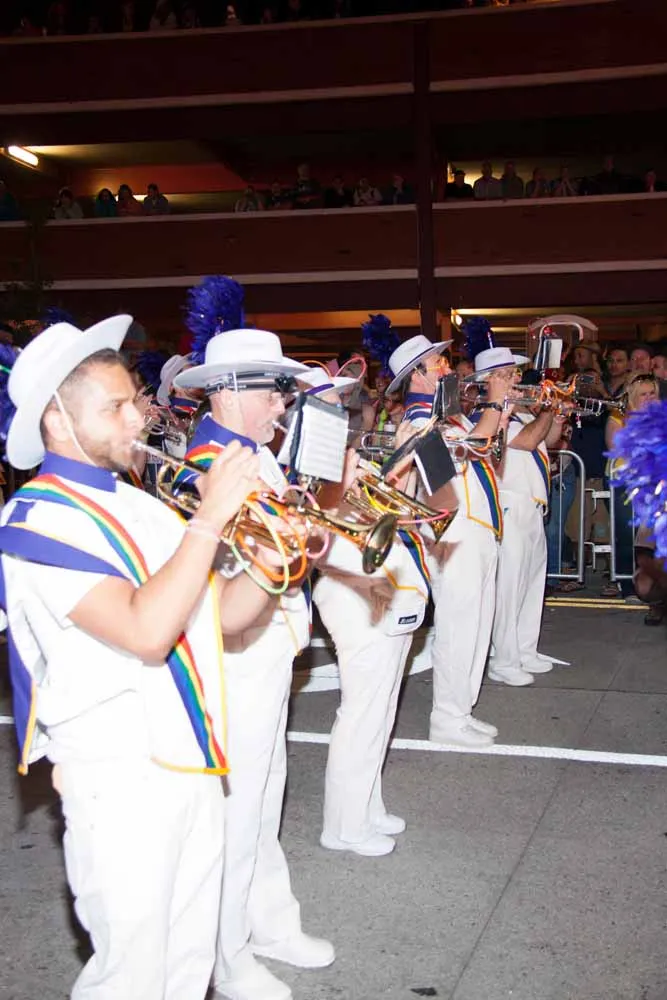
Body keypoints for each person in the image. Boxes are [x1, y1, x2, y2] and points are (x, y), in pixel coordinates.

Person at [0, 316, 271, 1000]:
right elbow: (145, 631)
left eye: (134, 401)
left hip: (190, 759)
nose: (137, 419)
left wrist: (275, 557)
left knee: (186, 965)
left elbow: (222, 618)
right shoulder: (34, 520)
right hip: (117, 778)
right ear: (58, 421)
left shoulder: (144, 508)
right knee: (132, 977)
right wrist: (210, 520)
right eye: (114, 407)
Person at [173, 330, 335, 1000]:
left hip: (268, 643)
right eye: (273, 392)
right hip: (233, 652)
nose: (282, 404)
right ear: (230, 391)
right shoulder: (207, 463)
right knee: (235, 813)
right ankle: (225, 954)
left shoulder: (252, 453)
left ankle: (268, 922)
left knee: (265, 797)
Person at [298, 369, 428, 857]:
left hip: (374, 582)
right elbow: (322, 523)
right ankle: (344, 826)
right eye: (334, 400)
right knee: (363, 710)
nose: (346, 408)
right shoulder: (312, 455)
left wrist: (398, 464)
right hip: (350, 587)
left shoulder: (340, 449)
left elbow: (382, 511)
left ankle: (366, 805)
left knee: (382, 706)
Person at [388, 332, 508, 747]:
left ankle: (462, 709)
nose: (446, 367)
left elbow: (486, 450)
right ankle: (447, 717)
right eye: (437, 363)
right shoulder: (419, 418)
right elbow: (469, 449)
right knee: (458, 627)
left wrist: (498, 417)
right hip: (452, 533)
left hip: (475, 528)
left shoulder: (449, 413)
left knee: (477, 624)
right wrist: (494, 403)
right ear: (416, 375)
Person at [488, 367, 567, 685]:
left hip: (532, 505)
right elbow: (530, 440)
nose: (518, 382)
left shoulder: (521, 412)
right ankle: (503, 660)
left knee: (533, 585)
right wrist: (547, 408)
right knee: (510, 589)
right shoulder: (494, 414)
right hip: (510, 505)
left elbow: (547, 440)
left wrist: (557, 416)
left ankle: (524, 650)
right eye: (511, 377)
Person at [605, 374, 659, 599]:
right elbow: (616, 446)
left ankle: (650, 585)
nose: (649, 398)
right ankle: (626, 584)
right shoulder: (619, 416)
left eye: (652, 393)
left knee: (652, 538)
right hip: (625, 481)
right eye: (643, 394)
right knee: (627, 533)